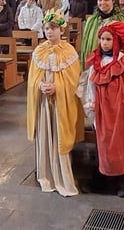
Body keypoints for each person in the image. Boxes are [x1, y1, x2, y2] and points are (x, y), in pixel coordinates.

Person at [26, 12, 84, 197]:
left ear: (61, 29)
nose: (49, 32)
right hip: (44, 101)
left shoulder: (69, 52)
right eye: (47, 28)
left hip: (60, 102)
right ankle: (45, 173)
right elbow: (32, 79)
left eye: (53, 28)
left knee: (58, 135)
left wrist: (57, 87)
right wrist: (40, 85)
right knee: (45, 134)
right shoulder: (39, 51)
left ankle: (62, 175)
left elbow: (74, 81)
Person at [78, 20, 124, 196]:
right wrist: (91, 102)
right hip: (100, 111)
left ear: (116, 41)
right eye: (102, 39)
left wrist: (118, 106)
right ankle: (102, 181)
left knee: (119, 146)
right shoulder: (96, 60)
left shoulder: (123, 62)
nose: (104, 42)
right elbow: (89, 84)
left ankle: (122, 183)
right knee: (101, 145)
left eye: (109, 39)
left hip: (119, 112)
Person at [79, 0, 124, 67]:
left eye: (106, 0)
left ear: (113, 1)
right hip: (94, 63)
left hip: (116, 64)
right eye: (100, 0)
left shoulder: (122, 20)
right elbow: (85, 45)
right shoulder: (91, 21)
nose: (102, 3)